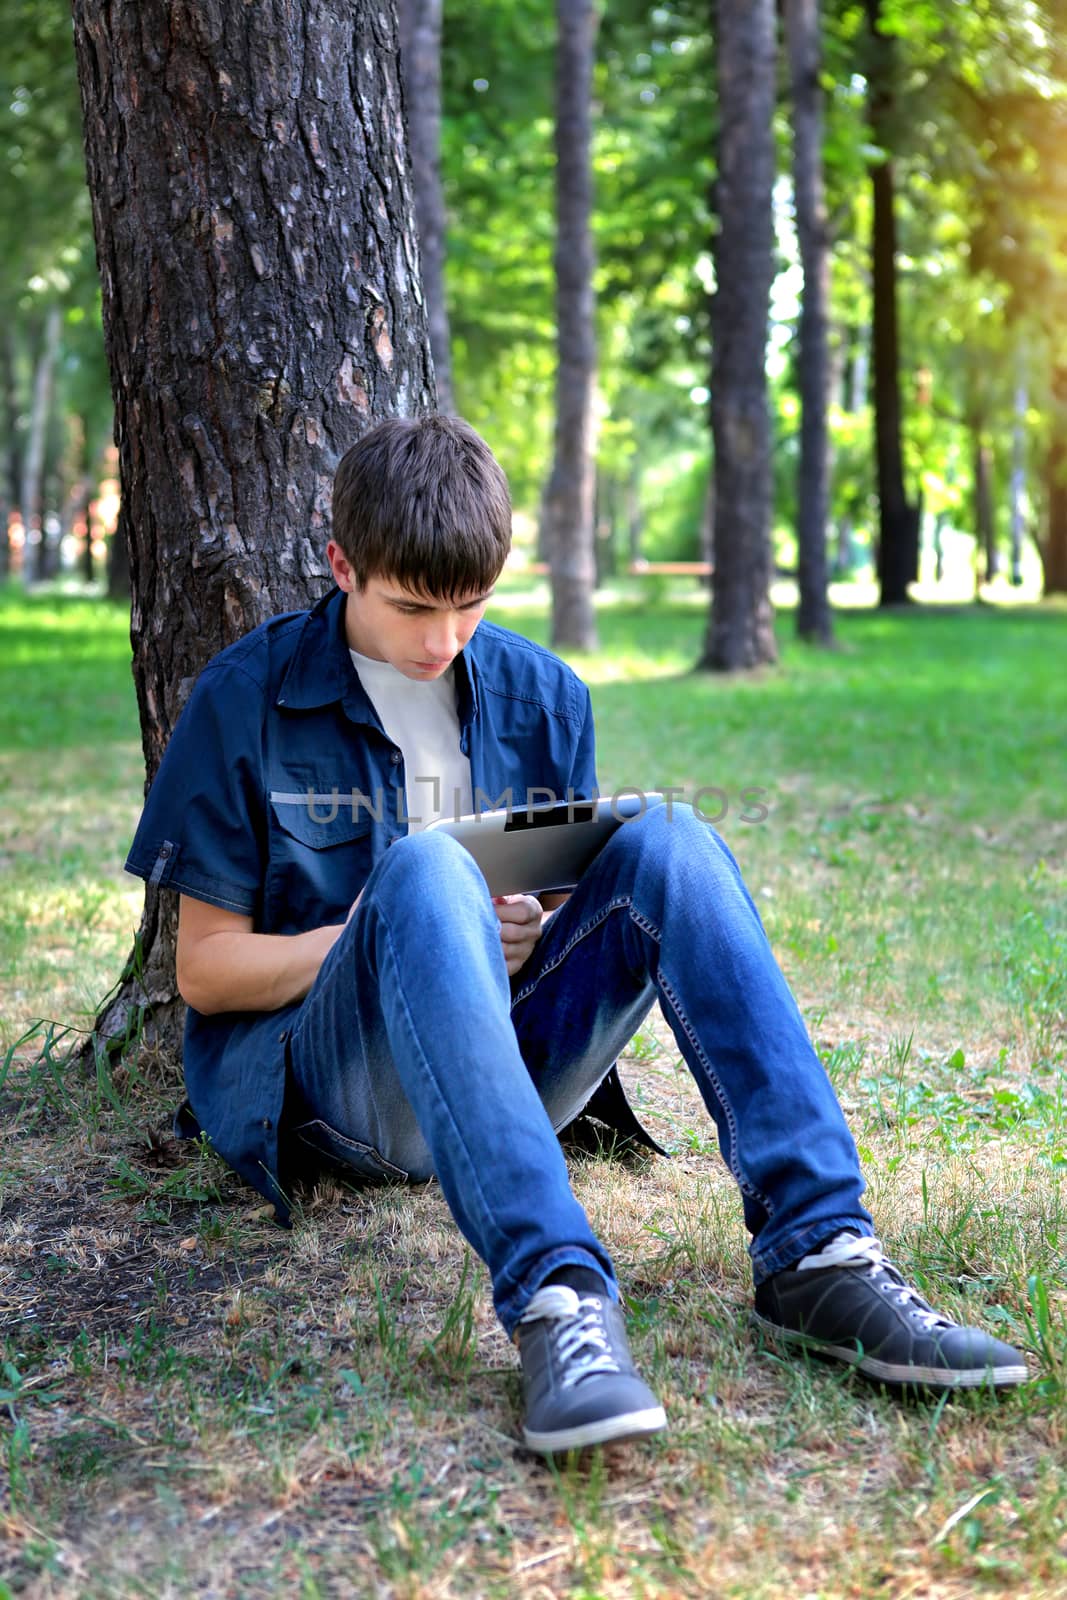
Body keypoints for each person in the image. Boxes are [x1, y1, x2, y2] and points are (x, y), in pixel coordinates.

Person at [125, 415, 1027, 1455]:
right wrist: (390, 927)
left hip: (510, 1060)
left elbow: (561, 903)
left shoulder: (540, 693)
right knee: (423, 872)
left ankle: (819, 1255)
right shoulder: (248, 698)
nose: (441, 641)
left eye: (469, 607)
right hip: (344, 1096)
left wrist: (521, 928)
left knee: (670, 839)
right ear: (340, 567)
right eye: (413, 607)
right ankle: (558, 1300)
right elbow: (205, 971)